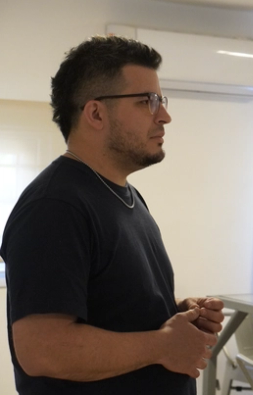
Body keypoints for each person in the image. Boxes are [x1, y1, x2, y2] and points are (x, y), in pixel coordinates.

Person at [0, 36, 224, 395]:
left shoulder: (126, 197)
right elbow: (43, 349)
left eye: (161, 101)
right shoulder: (54, 206)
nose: (164, 116)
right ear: (96, 114)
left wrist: (176, 313)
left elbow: (116, 307)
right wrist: (162, 345)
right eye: (147, 102)